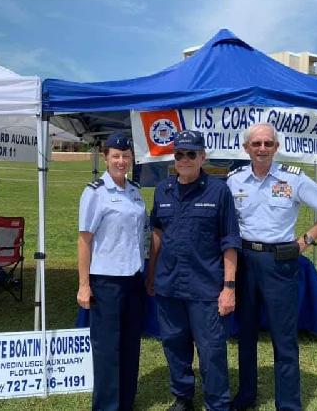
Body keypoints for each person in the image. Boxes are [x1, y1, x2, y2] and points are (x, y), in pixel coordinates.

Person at [227, 123, 317, 411]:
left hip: (280, 262)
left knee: (284, 336)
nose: (262, 148)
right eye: (256, 144)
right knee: (246, 333)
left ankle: (288, 403)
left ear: (276, 147)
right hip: (244, 261)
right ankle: (246, 395)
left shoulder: (293, 178)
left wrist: (306, 240)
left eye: (268, 143)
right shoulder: (234, 180)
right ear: (246, 148)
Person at [146, 130, 241, 411]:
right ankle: (183, 397)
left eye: (191, 154)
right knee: (174, 344)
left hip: (206, 287)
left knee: (211, 350)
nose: (184, 159)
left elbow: (230, 241)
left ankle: (217, 403)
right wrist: (151, 273)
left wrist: (229, 287)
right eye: (179, 154)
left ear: (202, 157)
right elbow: (157, 233)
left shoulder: (219, 191)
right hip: (169, 285)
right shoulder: (163, 190)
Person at [77, 132, 146, 411]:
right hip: (107, 281)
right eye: (116, 156)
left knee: (130, 345)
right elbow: (84, 240)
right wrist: (84, 284)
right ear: (105, 158)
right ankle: (107, 406)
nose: (121, 161)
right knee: (107, 348)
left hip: (133, 279)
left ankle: (126, 402)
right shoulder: (95, 192)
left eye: (126, 156)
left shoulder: (134, 191)